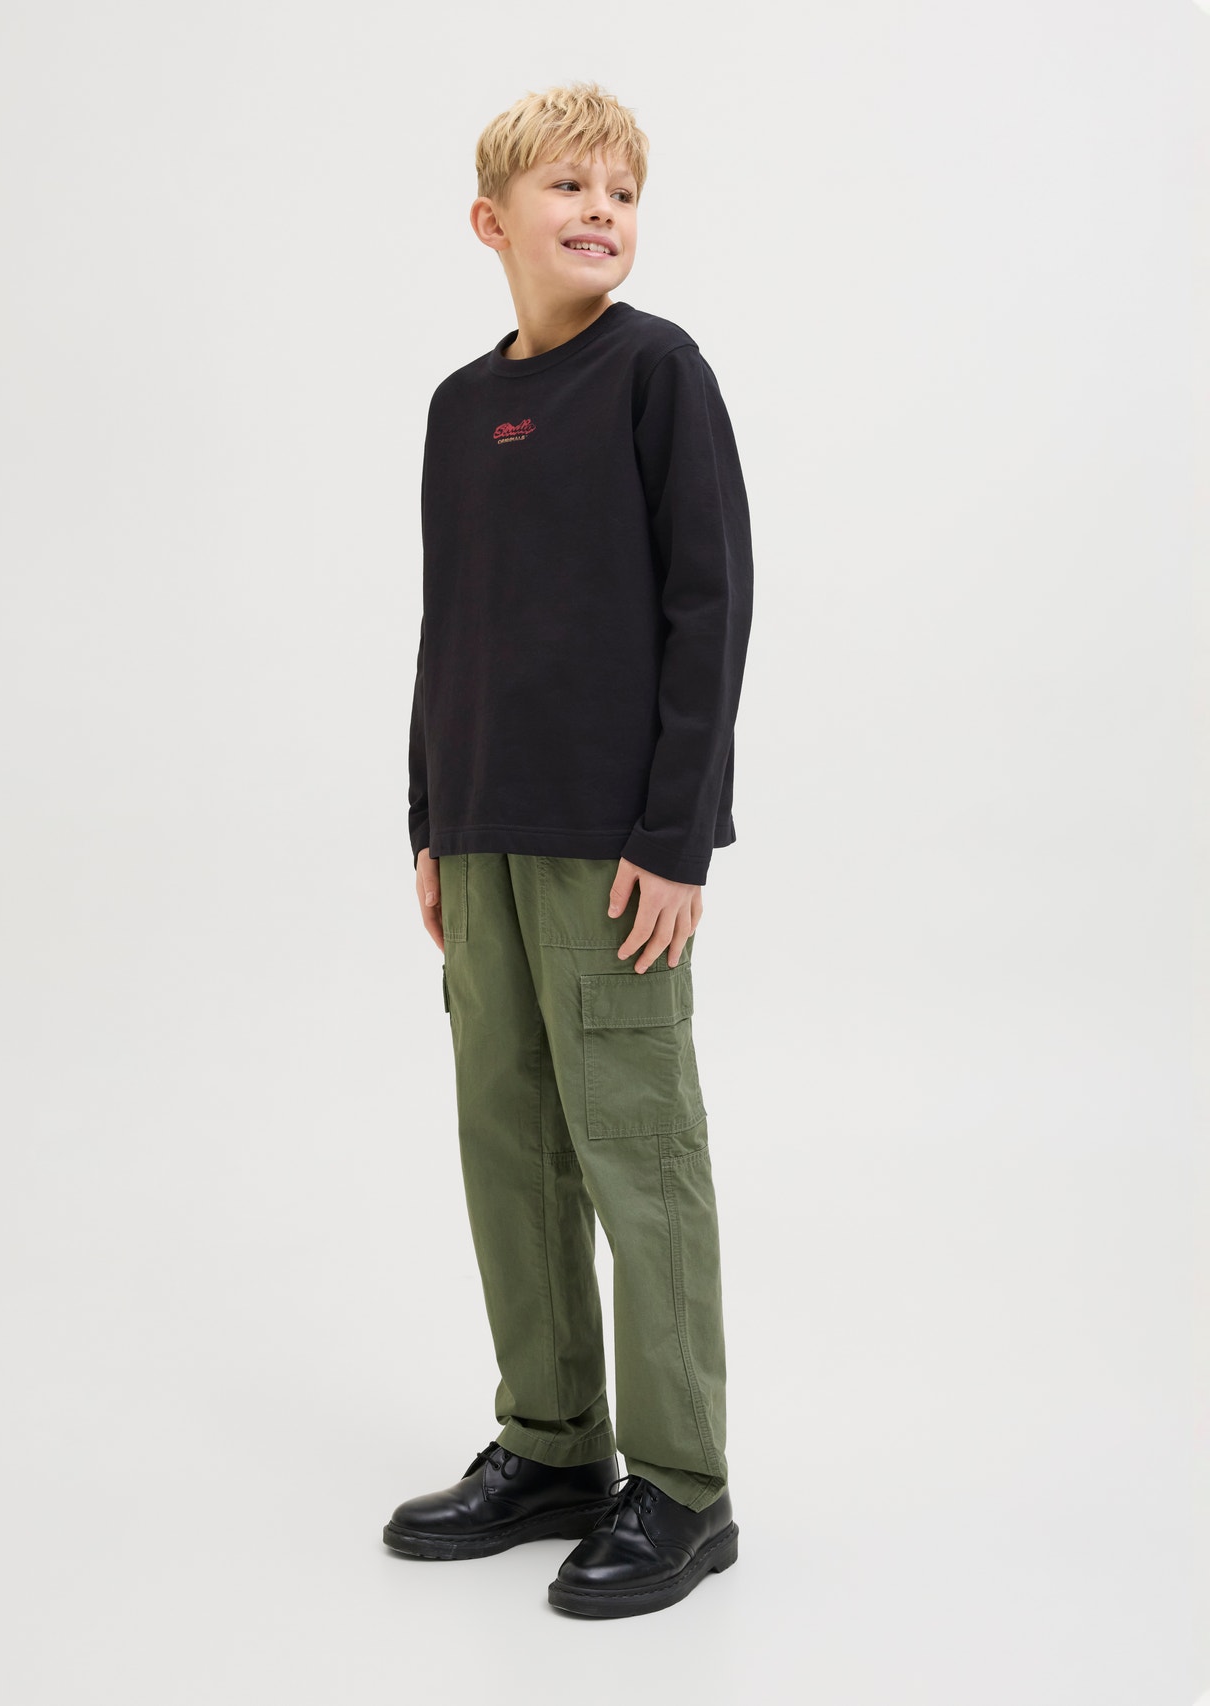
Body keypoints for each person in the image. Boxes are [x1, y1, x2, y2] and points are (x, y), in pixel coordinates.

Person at [383, 80, 754, 1619]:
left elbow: (709, 608)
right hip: (483, 835)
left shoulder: (657, 375)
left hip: (612, 851)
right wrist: (431, 817)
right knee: (510, 1145)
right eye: (569, 187)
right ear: (493, 221)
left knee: (636, 1152)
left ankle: (683, 1483)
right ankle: (552, 1445)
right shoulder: (458, 411)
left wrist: (676, 837)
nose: (602, 209)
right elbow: (450, 621)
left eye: (622, 190)